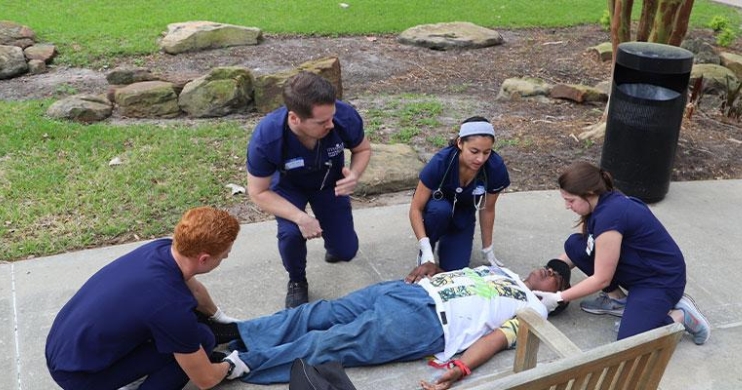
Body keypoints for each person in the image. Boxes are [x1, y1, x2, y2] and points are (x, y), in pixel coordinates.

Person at [212, 261, 571, 388]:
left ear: (557, 296)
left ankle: (242, 364)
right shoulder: (502, 270)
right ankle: (239, 333)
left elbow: (495, 338)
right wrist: (432, 269)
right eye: (550, 266)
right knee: (320, 312)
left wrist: (459, 369)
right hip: (409, 292)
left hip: (426, 323)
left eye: (556, 277)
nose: (548, 270)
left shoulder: (532, 310)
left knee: (334, 342)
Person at [45, 207, 244, 390]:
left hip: (64, 349)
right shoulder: (171, 304)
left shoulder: (163, 249)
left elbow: (195, 292)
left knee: (193, 329)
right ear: (204, 259)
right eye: (224, 255)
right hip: (80, 377)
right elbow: (206, 379)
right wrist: (229, 365)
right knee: (202, 338)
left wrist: (219, 316)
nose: (225, 257)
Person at [533, 161, 711, 345]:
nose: (567, 206)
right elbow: (580, 251)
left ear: (590, 194)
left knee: (629, 343)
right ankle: (617, 300)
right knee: (574, 244)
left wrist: (558, 297)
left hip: (660, 280)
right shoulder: (603, 202)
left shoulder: (610, 217)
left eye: (570, 200)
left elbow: (602, 279)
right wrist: (551, 269)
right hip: (640, 267)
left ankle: (682, 315)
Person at [246, 72, 372, 308]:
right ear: (295, 119)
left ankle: (334, 245)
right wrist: (301, 218)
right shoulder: (268, 137)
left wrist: (354, 174)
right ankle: (297, 280)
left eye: (331, 117)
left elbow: (362, 149)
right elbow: (257, 192)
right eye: (321, 122)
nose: (331, 124)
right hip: (288, 188)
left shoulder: (343, 117)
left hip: (328, 184)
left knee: (346, 251)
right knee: (291, 234)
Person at [405, 117, 510, 284]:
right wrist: (424, 246)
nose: (480, 159)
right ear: (460, 143)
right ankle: (427, 250)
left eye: (487, 152)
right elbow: (415, 209)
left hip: (463, 214)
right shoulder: (441, 162)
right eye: (474, 151)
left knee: (454, 272)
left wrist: (487, 248)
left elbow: (487, 209)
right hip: (437, 209)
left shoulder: (495, 168)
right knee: (440, 210)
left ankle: (453, 240)